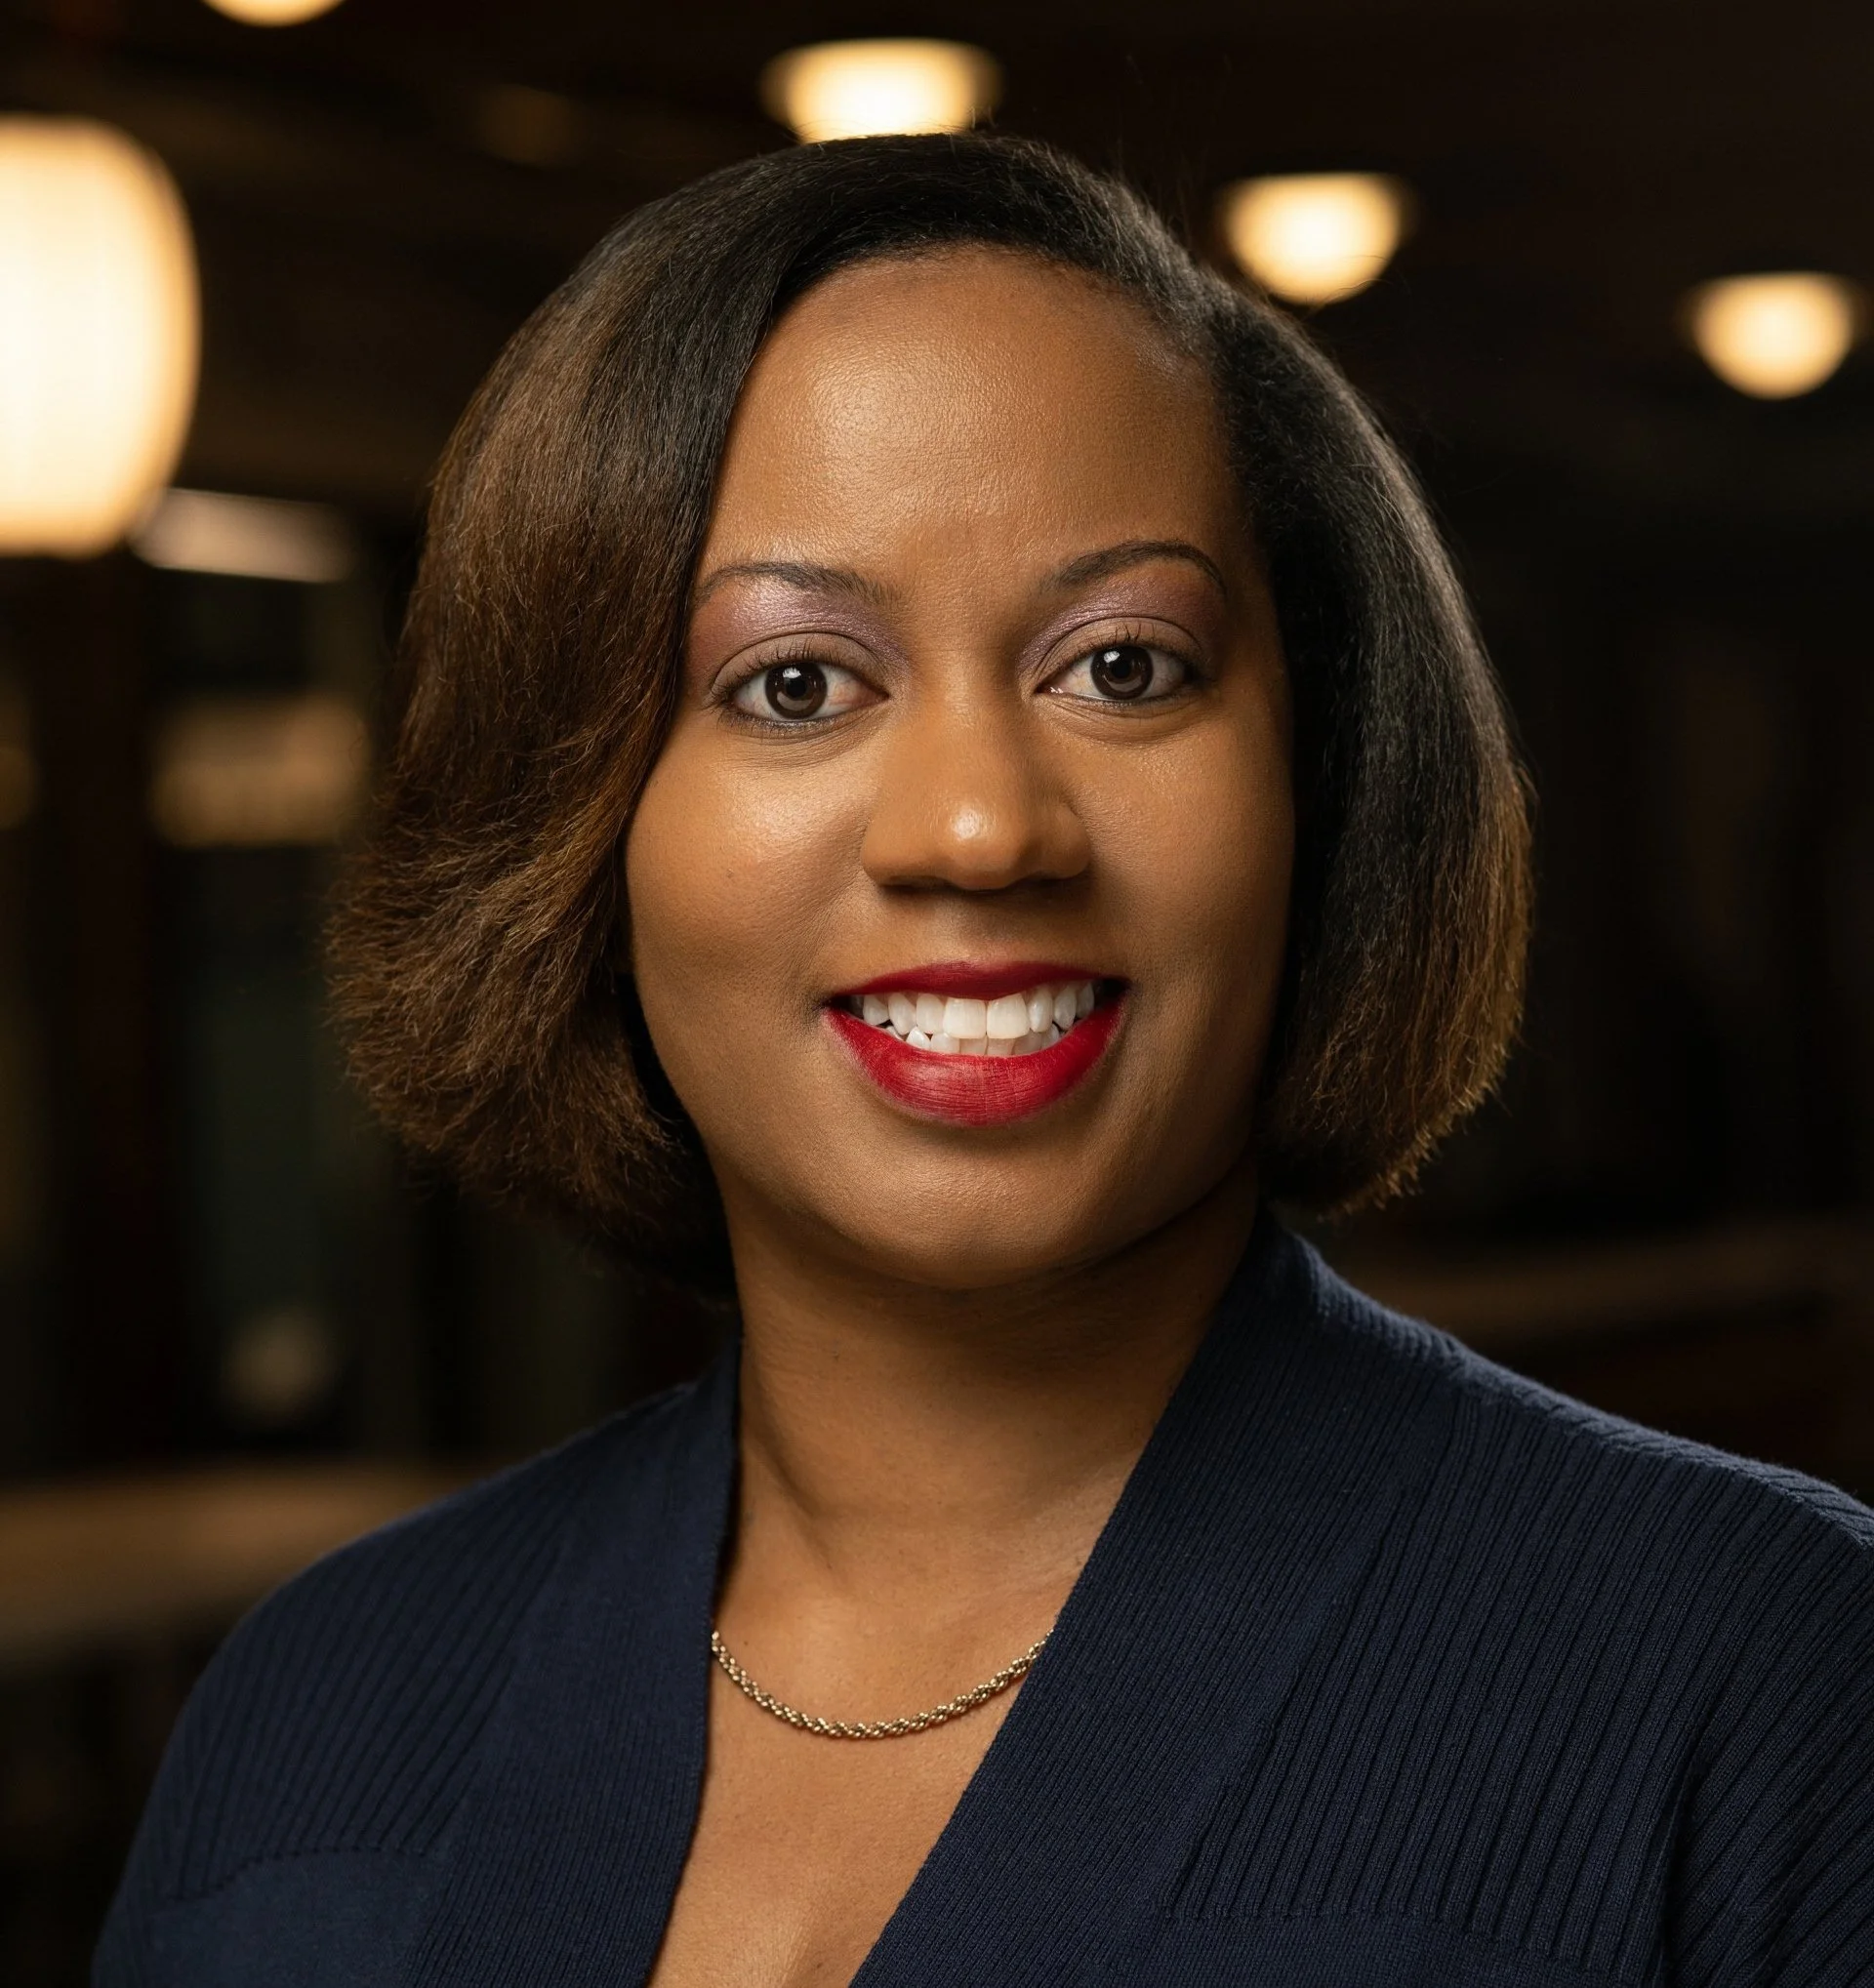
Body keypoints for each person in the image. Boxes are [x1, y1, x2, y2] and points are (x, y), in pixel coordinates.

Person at [99, 135, 1872, 1988]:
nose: (975, 827)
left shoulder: (1764, 1692)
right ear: (570, 821)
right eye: (796, 684)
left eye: (1123, 667)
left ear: (1323, 777)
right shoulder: (311, 1725)